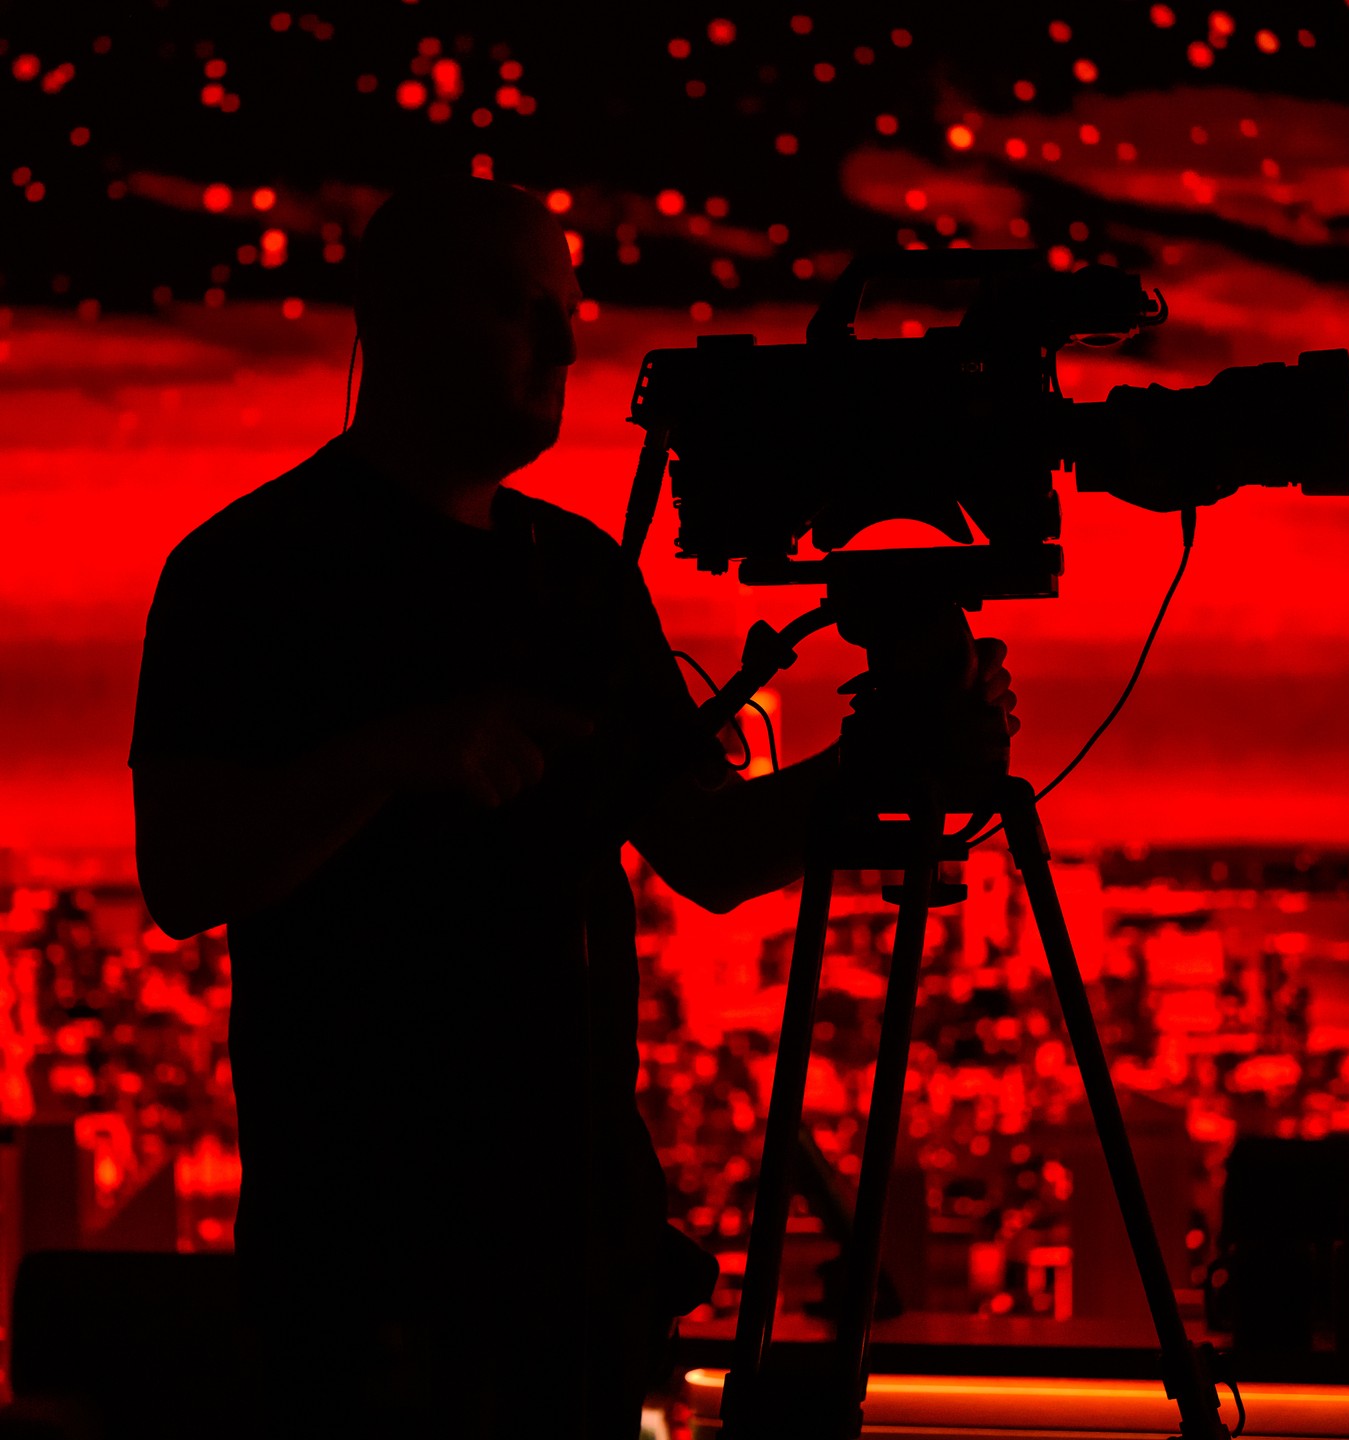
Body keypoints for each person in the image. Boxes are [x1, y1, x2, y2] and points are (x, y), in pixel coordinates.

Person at [129, 175, 1019, 1437]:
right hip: (369, 1273)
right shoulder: (248, 574)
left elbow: (706, 845)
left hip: (579, 1261)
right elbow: (184, 872)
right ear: (398, 321)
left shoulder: (580, 577)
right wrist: (390, 756)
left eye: (565, 310)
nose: (563, 345)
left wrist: (883, 760)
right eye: (518, 308)